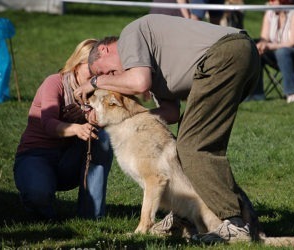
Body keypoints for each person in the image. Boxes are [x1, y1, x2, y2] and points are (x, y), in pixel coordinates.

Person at [74, 14, 260, 243]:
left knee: (193, 146)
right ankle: (240, 219)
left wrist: (94, 83)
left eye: (105, 72)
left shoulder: (129, 35)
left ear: (103, 50)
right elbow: (170, 113)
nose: (110, 79)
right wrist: (128, 120)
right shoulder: (152, 66)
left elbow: (139, 83)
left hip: (226, 54)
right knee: (199, 145)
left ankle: (234, 224)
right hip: (238, 55)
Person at [13, 39, 113, 220]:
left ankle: (91, 215)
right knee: (38, 197)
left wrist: (90, 116)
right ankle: (41, 203)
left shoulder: (97, 87)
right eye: (92, 70)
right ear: (77, 64)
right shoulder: (54, 83)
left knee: (103, 137)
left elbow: (107, 118)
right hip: (37, 154)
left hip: (69, 160)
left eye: (101, 72)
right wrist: (75, 128)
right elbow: (48, 123)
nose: (96, 76)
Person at [252, 0, 294, 103]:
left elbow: (293, 42)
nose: (269, 3)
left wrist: (269, 46)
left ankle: (292, 93)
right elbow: (264, 37)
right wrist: (261, 45)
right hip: (277, 55)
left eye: (272, 0)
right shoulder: (270, 13)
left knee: (282, 52)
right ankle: (256, 94)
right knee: (256, 50)